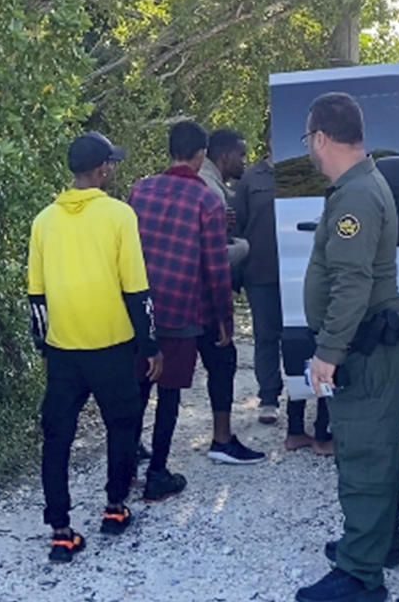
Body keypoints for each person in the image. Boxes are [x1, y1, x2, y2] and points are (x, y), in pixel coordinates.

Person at [294, 94, 399, 602]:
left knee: (364, 453)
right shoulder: (360, 185)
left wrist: (328, 351)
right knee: (378, 449)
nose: (310, 151)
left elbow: (351, 281)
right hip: (373, 344)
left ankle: (361, 576)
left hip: (366, 347)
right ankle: (380, 542)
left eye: (309, 141)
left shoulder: (356, 195)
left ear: (321, 137)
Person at [27, 132, 162, 563]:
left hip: (64, 349)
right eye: (111, 165)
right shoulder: (119, 216)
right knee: (123, 427)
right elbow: (136, 289)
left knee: (57, 437)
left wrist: (44, 348)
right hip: (112, 346)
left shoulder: (44, 220)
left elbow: (37, 297)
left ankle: (61, 531)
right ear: (102, 169)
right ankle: (115, 508)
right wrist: (151, 345)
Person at [129, 120, 264, 500]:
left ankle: (124, 471)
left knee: (138, 388)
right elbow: (216, 266)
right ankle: (157, 474)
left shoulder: (140, 190)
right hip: (184, 309)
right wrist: (224, 318)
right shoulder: (205, 199)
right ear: (202, 153)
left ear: (171, 150)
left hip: (143, 309)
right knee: (169, 395)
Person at [234, 129, 331, 454]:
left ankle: (308, 401)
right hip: (261, 272)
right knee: (266, 336)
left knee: (304, 337)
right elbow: (239, 225)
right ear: (269, 141)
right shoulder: (251, 179)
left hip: (302, 270)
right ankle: (268, 398)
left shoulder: (307, 172)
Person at [199, 129, 250, 272]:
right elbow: (214, 253)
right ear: (225, 156)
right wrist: (242, 248)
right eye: (241, 156)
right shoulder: (211, 190)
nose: (244, 162)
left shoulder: (206, 180)